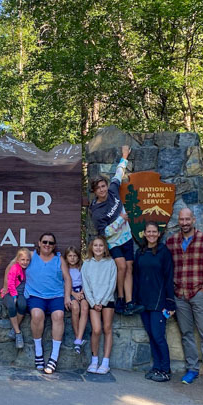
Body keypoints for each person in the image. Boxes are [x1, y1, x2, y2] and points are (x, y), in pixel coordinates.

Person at [165, 207, 203, 389]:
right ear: (178, 221)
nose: (185, 223)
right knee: (186, 334)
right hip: (180, 295)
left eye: (188, 219)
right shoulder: (172, 241)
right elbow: (167, 268)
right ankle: (192, 369)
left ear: (194, 220)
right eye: (182, 220)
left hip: (200, 294)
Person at [88, 145, 144, 316]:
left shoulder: (113, 191)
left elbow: (119, 173)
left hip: (126, 237)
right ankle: (119, 299)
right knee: (121, 266)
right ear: (95, 191)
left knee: (129, 267)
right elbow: (104, 233)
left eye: (104, 186)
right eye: (99, 188)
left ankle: (129, 302)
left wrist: (125, 156)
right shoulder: (97, 211)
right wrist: (120, 220)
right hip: (113, 242)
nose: (103, 190)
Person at [24, 232, 72, 374]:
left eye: (51, 243)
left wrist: (67, 297)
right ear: (39, 243)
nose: (47, 245)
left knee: (58, 316)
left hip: (56, 295)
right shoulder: (31, 256)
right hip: (35, 294)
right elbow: (12, 266)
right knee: (37, 315)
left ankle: (54, 357)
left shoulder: (59, 259)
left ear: (54, 246)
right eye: (45, 242)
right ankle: (38, 352)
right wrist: (8, 286)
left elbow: (67, 278)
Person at [134, 221, 176, 382]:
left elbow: (168, 277)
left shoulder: (164, 252)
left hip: (159, 302)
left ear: (159, 234)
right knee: (151, 335)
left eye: (154, 232)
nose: (151, 234)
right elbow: (136, 277)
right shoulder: (140, 252)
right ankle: (156, 367)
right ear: (144, 234)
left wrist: (170, 302)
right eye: (148, 232)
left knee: (159, 336)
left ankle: (166, 369)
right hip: (144, 301)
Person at [81, 237, 117, 374]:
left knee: (107, 328)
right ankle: (94, 360)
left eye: (100, 245)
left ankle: (105, 362)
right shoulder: (87, 264)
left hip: (107, 300)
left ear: (105, 248)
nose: (98, 248)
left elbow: (112, 284)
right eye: (95, 245)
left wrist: (102, 302)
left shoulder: (110, 263)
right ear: (91, 247)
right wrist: (93, 302)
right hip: (93, 301)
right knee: (96, 330)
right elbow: (86, 284)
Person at [0, 248, 31, 349]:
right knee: (12, 305)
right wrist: (14, 296)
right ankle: (18, 333)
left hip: (21, 293)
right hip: (10, 292)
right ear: (18, 259)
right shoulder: (14, 267)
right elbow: (11, 283)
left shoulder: (29, 269)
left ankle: (14, 329)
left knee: (23, 305)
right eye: (23, 260)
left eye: (27, 260)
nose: (25, 262)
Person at [65, 246, 89, 353]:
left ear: (78, 258)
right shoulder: (65, 270)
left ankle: (79, 338)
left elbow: (87, 280)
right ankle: (77, 337)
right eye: (70, 256)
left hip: (82, 291)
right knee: (75, 308)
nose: (72, 258)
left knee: (84, 307)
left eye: (75, 256)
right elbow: (63, 284)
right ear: (66, 257)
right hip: (71, 292)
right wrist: (73, 294)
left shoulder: (82, 268)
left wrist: (82, 292)